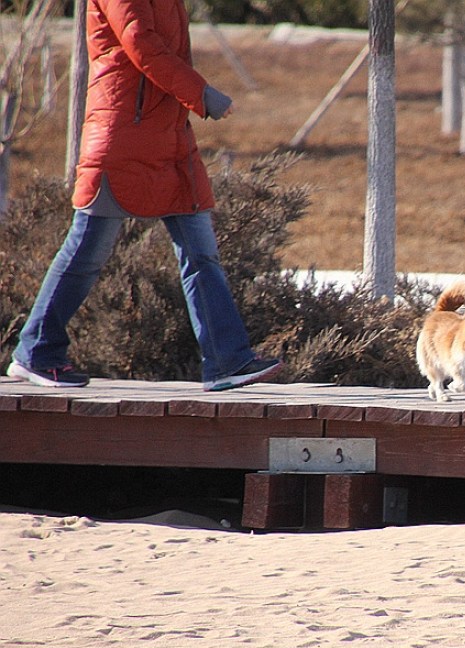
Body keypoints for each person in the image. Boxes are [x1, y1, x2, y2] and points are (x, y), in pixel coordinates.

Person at [5, 0, 280, 392]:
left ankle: (226, 360)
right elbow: (141, 44)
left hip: (168, 139)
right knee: (86, 252)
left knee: (201, 252)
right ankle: (36, 350)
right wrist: (200, 94)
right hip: (123, 139)